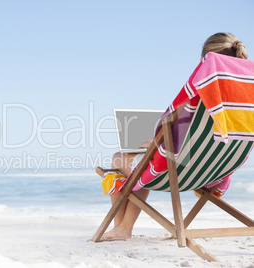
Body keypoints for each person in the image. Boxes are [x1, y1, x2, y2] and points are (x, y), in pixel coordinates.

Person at [103, 32, 249, 240]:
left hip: (177, 172)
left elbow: (172, 127)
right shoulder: (245, 106)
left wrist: (154, 144)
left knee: (120, 159)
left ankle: (123, 228)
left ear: (206, 60)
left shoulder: (199, 96)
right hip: (213, 173)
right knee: (139, 164)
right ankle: (121, 228)